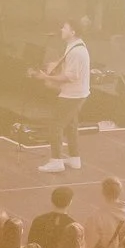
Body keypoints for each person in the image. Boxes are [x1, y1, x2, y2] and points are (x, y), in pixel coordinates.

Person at [36, 17, 91, 173]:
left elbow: (70, 77)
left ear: (73, 32)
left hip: (73, 95)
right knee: (71, 125)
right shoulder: (74, 46)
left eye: (65, 28)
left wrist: (47, 78)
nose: (62, 29)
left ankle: (56, 161)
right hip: (78, 93)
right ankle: (74, 159)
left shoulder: (77, 51)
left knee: (55, 125)